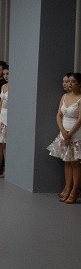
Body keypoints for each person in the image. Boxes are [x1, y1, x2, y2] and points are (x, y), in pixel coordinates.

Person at [49, 73, 81, 203]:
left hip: (76, 133)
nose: (69, 84)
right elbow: (59, 115)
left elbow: (80, 119)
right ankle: (67, 187)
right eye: (69, 82)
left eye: (73, 82)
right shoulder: (64, 96)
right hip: (64, 132)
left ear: (79, 83)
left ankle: (75, 191)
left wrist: (70, 133)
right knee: (67, 161)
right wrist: (63, 131)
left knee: (75, 163)